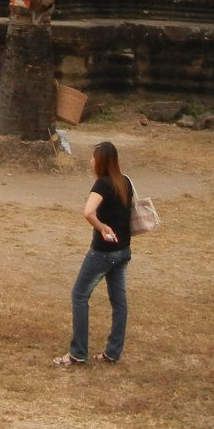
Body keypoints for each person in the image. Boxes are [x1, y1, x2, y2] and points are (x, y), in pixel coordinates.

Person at [52, 140, 133, 367]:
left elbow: (88, 212)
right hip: (123, 250)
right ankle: (113, 352)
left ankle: (78, 353)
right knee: (119, 301)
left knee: (79, 295)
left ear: (101, 162)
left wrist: (102, 227)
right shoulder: (125, 182)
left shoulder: (102, 185)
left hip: (104, 252)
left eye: (93, 157)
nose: (90, 161)